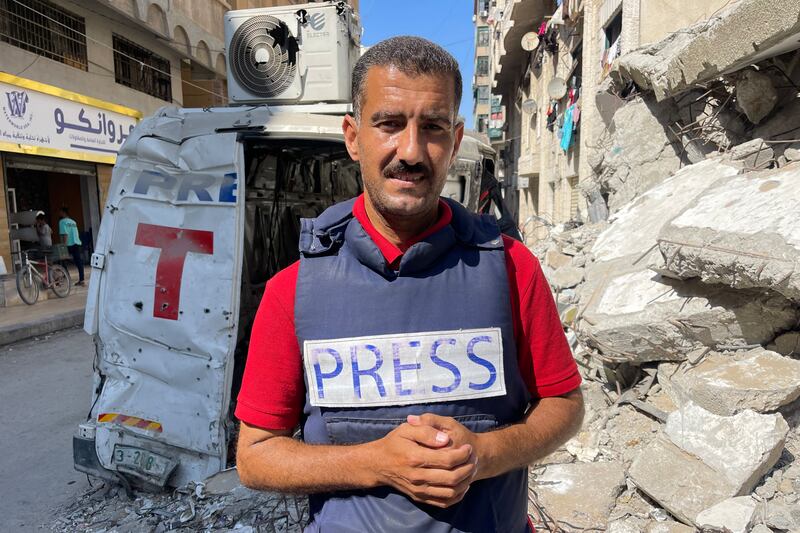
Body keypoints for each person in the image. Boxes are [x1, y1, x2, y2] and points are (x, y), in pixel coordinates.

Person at [235, 36, 584, 532]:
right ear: (354, 136)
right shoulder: (293, 290)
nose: (412, 151)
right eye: (389, 124)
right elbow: (255, 457)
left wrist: (483, 454)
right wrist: (377, 462)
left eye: (433, 127)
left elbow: (564, 404)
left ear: (456, 140)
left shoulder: (511, 267)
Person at [58, 206, 84, 286]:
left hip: (69, 244)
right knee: (78, 262)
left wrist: (64, 246)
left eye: (60, 211)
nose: (59, 213)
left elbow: (65, 234)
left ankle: (66, 276)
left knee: (60, 260)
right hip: (77, 243)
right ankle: (81, 280)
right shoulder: (73, 222)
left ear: (63, 212)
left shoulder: (62, 222)